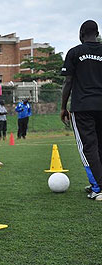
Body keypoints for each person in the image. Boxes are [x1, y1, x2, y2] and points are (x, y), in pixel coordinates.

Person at [61, 20, 102, 201]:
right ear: (97, 33)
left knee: (88, 148)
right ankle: (98, 184)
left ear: (81, 33)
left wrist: (63, 107)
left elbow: (68, 82)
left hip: (83, 107)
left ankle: (98, 188)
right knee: (100, 146)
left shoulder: (75, 52)